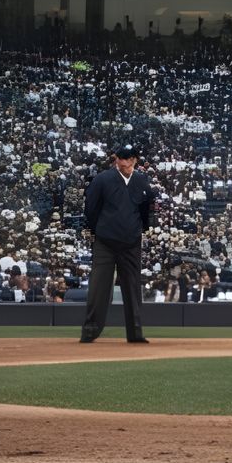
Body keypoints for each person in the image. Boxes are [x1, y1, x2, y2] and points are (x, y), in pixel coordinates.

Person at [80, 141, 155, 345]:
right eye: (123, 158)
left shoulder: (141, 181)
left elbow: (146, 209)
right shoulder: (102, 179)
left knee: (132, 287)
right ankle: (90, 330)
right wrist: (99, 230)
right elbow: (91, 208)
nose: (126, 162)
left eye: (130, 159)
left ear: (135, 160)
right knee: (99, 287)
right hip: (105, 241)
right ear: (116, 160)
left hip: (131, 241)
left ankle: (135, 332)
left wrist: (141, 230)